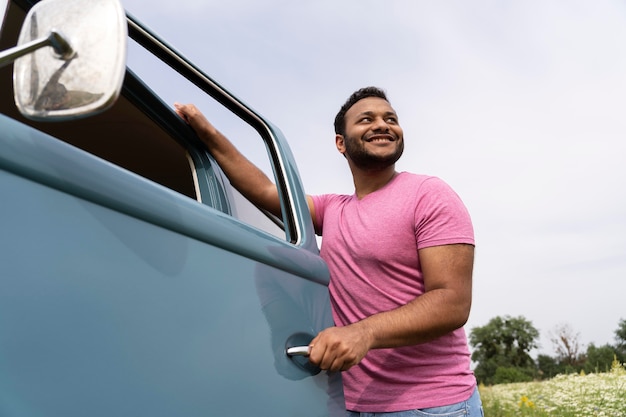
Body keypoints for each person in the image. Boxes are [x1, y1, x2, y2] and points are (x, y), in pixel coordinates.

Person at [174, 86, 483, 416]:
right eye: (367, 119)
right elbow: (264, 190)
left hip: (433, 405)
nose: (382, 124)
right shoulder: (333, 209)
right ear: (341, 143)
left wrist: (362, 332)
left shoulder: (429, 194)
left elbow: (452, 302)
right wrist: (208, 134)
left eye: (390, 118)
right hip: (354, 405)